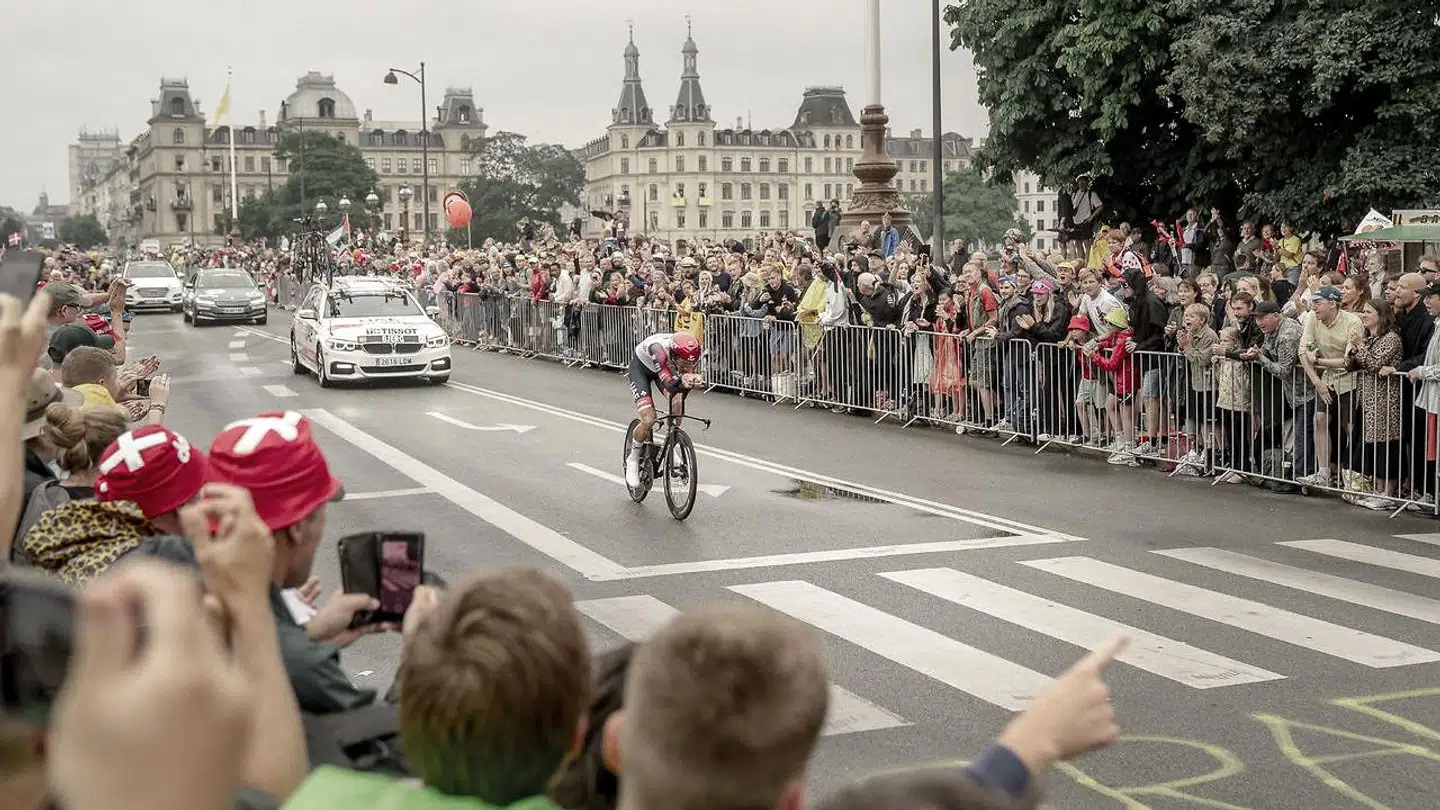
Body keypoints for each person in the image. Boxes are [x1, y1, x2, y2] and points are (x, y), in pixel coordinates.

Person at [625, 331, 703, 489]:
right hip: (642, 368)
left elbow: (678, 392)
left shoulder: (686, 356)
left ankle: (671, 441)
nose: (688, 367)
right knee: (648, 418)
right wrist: (682, 380)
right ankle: (633, 459)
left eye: (691, 364)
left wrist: (690, 383)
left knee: (677, 402)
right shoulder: (658, 350)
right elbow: (668, 384)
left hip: (665, 368)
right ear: (674, 356)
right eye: (683, 364)